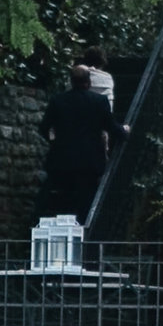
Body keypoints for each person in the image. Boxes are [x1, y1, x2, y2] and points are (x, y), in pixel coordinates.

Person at [38, 60, 114, 221]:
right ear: (89, 81)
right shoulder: (99, 101)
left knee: (61, 198)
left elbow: (44, 127)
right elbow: (110, 125)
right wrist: (125, 131)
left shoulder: (57, 101)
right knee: (86, 201)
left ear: (71, 81)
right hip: (89, 162)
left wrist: (54, 142)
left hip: (62, 161)